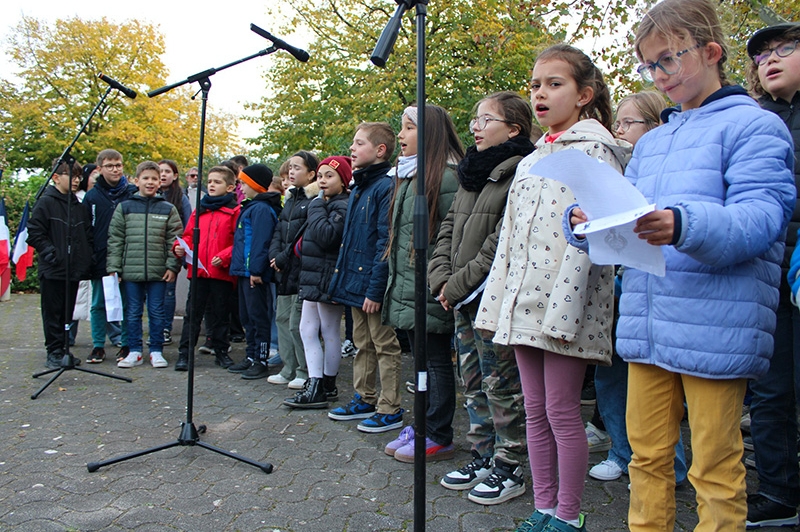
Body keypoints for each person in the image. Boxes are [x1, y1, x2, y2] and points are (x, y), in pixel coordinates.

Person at [566, 1, 795, 529]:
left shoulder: (754, 126)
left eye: (669, 59)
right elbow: (632, 217)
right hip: (649, 319)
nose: (659, 75)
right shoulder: (656, 140)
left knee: (714, 467)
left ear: (711, 52)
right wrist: (587, 221)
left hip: (717, 322)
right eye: (650, 66)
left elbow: (762, 217)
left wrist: (684, 225)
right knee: (646, 458)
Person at [476, 44, 630, 532]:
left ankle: (569, 513)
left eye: (555, 84)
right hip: (523, 305)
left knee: (563, 412)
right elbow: (510, 239)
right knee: (535, 410)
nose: (541, 93)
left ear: (584, 95)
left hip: (566, 307)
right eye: (536, 85)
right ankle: (543, 507)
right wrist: (498, 301)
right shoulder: (531, 159)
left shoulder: (596, 152)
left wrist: (564, 310)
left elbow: (592, 239)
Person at [428, 91, 536, 504]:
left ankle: (510, 465)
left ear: (513, 129)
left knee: (501, 382)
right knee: (471, 380)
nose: (475, 127)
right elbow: (448, 229)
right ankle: (483, 454)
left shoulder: (519, 172)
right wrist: (441, 279)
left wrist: (455, 286)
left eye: (486, 120)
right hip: (459, 295)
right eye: (474, 120)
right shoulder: (472, 173)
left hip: (491, 297)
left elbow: (500, 243)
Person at [586, 91, 688, 486]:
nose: (620, 130)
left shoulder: (666, 167)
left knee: (658, 384)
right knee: (611, 376)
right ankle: (621, 451)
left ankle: (670, 465)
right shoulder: (613, 165)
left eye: (629, 123)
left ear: (655, 126)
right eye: (620, 123)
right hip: (616, 283)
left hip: (656, 285)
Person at [381, 105, 463, 462]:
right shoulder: (410, 176)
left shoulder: (444, 177)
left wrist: (440, 283)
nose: (401, 136)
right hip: (409, 288)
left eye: (409, 128)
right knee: (421, 364)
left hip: (430, 288)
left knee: (436, 363)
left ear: (429, 132)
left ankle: (438, 433)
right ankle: (422, 424)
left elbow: (451, 238)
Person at [746, 21, 800, 529]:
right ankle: (780, 492)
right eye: (762, 55)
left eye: (785, 48)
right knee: (771, 388)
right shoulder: (757, 120)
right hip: (771, 275)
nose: (771, 59)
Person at [327, 122, 405, 434]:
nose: (352, 149)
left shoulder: (385, 186)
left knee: (384, 343)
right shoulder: (360, 185)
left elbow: (384, 243)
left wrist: (374, 289)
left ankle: (390, 407)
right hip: (356, 283)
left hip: (373, 285)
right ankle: (365, 396)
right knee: (362, 342)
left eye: (359, 143)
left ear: (380, 150)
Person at [283, 155, 351, 408]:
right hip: (313, 275)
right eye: (320, 176)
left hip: (326, 277)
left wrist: (315, 207)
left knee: (329, 330)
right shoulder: (325, 203)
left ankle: (321, 385)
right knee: (307, 329)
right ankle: (319, 382)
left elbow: (326, 236)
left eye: (329, 176)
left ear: (343, 180)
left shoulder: (338, 205)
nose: (322, 181)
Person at [107, 161, 183, 369]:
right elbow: (115, 238)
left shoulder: (168, 209)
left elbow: (175, 240)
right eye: (146, 178)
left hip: (159, 272)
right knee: (132, 312)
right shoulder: (124, 207)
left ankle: (156, 350)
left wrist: (172, 267)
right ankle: (134, 351)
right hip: (130, 272)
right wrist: (115, 267)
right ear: (136, 180)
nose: (150, 182)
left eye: (154, 179)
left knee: (157, 311)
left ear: (160, 182)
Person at [172, 165, 240, 372]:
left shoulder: (234, 211)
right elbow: (187, 236)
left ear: (229, 188)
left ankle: (221, 350)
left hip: (221, 272)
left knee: (220, 314)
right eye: (209, 181)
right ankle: (185, 353)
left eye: (217, 182)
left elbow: (238, 240)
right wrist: (179, 248)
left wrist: (225, 256)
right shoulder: (199, 211)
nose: (211, 185)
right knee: (192, 314)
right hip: (199, 271)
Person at [27, 158, 93, 369]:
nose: (76, 181)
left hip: (73, 269)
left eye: (78, 177)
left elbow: (86, 235)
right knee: (53, 312)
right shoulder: (46, 202)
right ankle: (53, 351)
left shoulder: (79, 206)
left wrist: (87, 258)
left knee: (67, 312)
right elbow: (35, 232)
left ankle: (64, 349)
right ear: (56, 177)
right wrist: (50, 251)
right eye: (71, 176)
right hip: (53, 267)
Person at [268, 151, 319, 389]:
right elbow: (279, 231)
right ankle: (288, 368)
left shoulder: (314, 201)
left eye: (297, 168)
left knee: (298, 323)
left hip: (300, 269)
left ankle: (303, 369)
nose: (291, 171)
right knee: (282, 318)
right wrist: (274, 256)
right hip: (283, 269)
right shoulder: (289, 199)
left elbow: (303, 236)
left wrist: (283, 256)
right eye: (290, 167)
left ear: (311, 174)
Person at [83, 149, 137, 364]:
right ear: (100, 169)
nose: (115, 169)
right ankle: (98, 345)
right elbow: (86, 229)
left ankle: (125, 342)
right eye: (110, 166)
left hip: (127, 257)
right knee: (98, 303)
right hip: (101, 257)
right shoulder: (92, 196)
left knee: (126, 302)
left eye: (118, 165)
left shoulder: (132, 193)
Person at [227, 170, 284, 376]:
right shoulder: (251, 207)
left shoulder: (261, 209)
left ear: (256, 184)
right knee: (246, 316)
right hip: (244, 271)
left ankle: (260, 359)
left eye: (244, 183)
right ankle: (251, 355)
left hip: (254, 273)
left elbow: (260, 242)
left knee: (258, 316)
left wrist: (256, 270)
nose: (240, 187)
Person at [158, 159, 192, 347]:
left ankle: (165, 328)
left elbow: (187, 227)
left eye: (167, 171)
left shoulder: (181, 198)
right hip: (151, 251)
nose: (163, 175)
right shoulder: (148, 195)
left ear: (175, 175)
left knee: (168, 291)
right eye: (160, 171)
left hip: (172, 250)